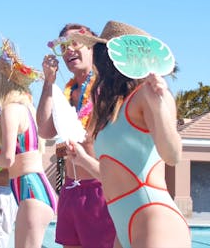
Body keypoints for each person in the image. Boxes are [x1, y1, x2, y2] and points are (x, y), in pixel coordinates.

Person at [69, 20, 191, 248]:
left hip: (154, 218)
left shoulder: (148, 94)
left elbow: (173, 155)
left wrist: (159, 105)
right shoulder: (112, 108)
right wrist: (83, 160)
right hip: (124, 226)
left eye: (99, 51)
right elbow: (114, 175)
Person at [0, 38, 57, 248]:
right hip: (31, 189)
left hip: (31, 190)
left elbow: (6, 159)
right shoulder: (24, 108)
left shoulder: (10, 109)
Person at [37, 23, 116, 248]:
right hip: (71, 189)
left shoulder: (107, 90)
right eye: (63, 46)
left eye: (75, 43)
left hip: (99, 188)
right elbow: (44, 130)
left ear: (92, 47)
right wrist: (48, 82)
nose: (69, 50)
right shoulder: (67, 93)